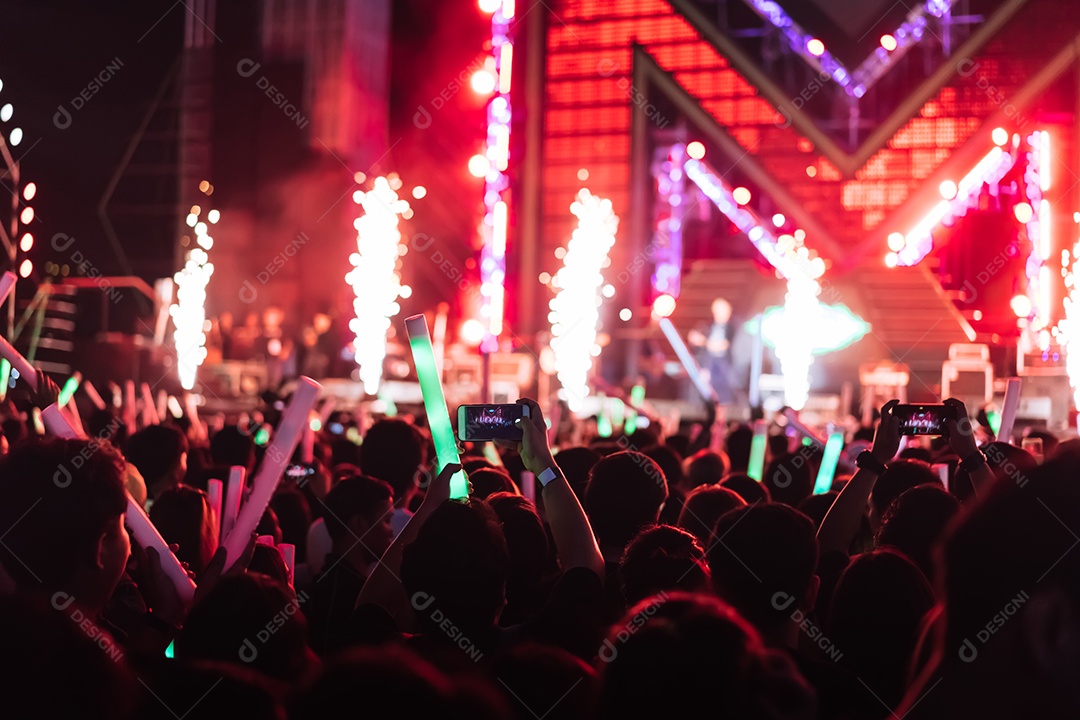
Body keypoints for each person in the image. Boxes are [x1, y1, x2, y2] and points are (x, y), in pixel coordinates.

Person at [688, 297, 736, 405]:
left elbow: (722, 345)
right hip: (709, 365)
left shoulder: (732, 327)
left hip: (724, 369)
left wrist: (703, 342)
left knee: (723, 398)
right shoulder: (709, 326)